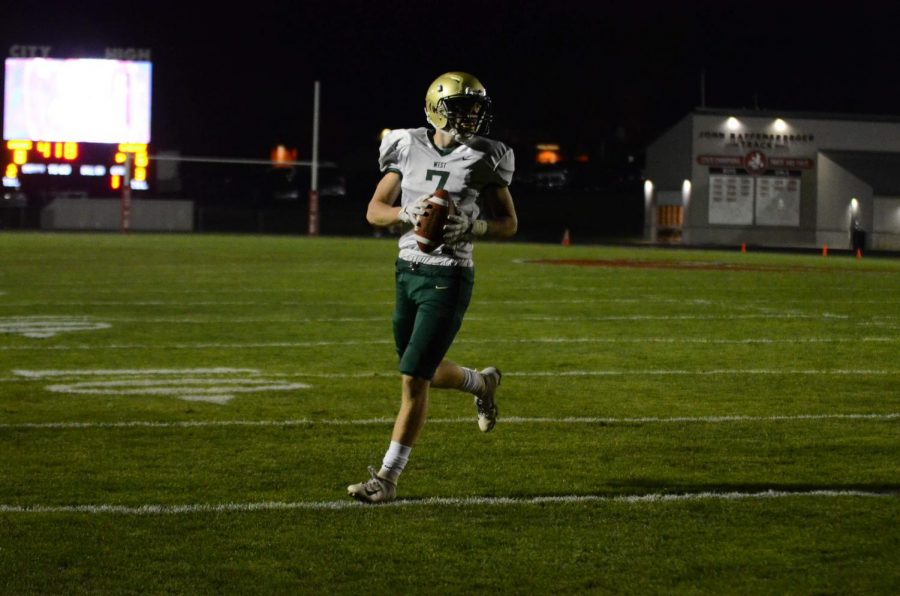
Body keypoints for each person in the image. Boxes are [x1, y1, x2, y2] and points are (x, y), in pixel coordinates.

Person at [348, 71, 518, 504]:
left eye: (477, 108)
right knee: (415, 365)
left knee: (413, 379)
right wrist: (408, 214)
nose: (472, 117)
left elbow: (509, 223)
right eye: (462, 108)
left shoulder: (487, 155)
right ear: (435, 109)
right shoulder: (406, 145)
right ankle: (481, 384)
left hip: (449, 274)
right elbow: (374, 210)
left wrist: (474, 225)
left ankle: (386, 478)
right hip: (407, 270)